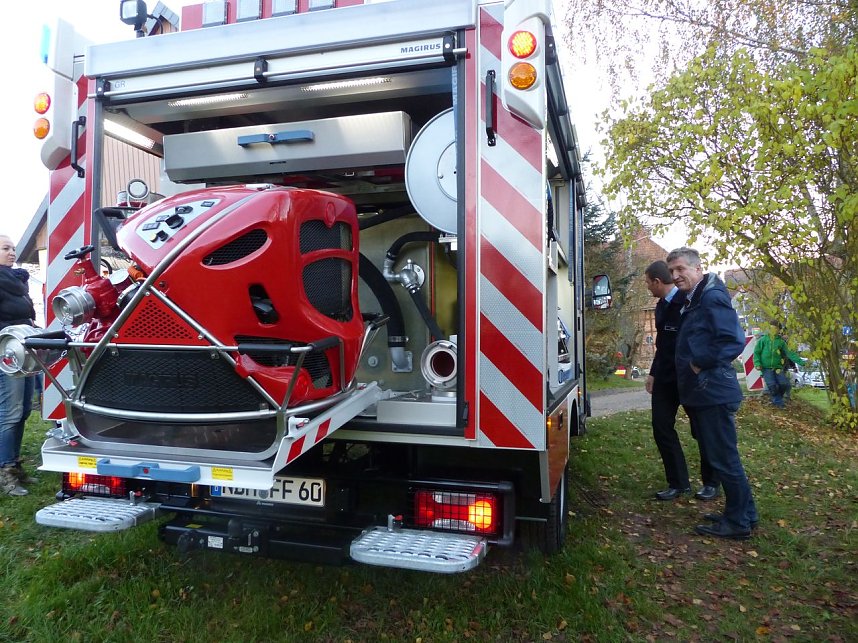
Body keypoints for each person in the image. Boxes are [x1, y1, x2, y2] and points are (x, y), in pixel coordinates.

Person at [667, 247, 758, 540]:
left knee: (723, 459)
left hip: (713, 391)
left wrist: (698, 363)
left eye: (680, 269)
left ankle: (737, 523)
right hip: (705, 392)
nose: (675, 276)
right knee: (723, 456)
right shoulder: (696, 298)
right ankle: (745, 513)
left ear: (697, 268)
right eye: (671, 272)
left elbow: (732, 341)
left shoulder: (711, 297)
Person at [644, 261, 720, 502]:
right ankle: (678, 483)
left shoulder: (688, 302)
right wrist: (653, 373)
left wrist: (698, 367)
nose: (647, 288)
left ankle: (711, 483)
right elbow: (663, 346)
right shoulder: (660, 307)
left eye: (648, 283)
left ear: (657, 282)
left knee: (702, 431)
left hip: (690, 379)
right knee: (661, 427)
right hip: (666, 380)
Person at [0, 235, 37, 496]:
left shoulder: (18, 281)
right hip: (6, 353)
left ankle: (12, 463)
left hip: (23, 350)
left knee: (24, 410)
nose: (12, 252)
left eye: (13, 248)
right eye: (5, 248)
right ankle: (5, 470)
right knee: (10, 412)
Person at [753, 325, 804, 408]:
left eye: (776, 328)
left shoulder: (780, 342)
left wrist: (801, 362)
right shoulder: (763, 340)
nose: (774, 330)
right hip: (766, 367)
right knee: (772, 385)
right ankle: (778, 403)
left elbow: (789, 353)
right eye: (772, 328)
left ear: (779, 330)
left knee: (784, 384)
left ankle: (777, 397)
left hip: (778, 367)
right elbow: (757, 352)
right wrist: (757, 363)